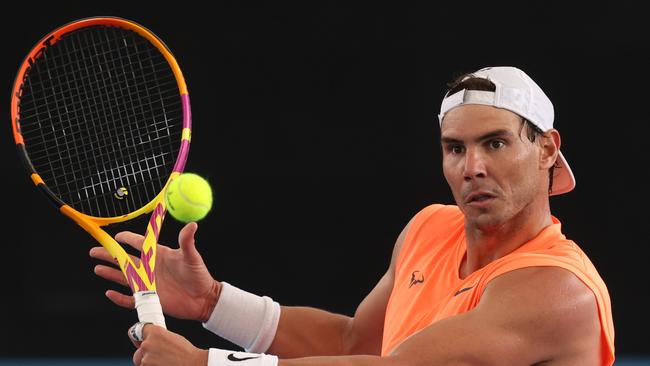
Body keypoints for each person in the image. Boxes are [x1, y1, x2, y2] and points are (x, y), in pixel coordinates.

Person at [90, 66, 615, 366]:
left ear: (547, 149)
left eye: (495, 143)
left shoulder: (558, 289)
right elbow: (351, 345)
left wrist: (206, 365)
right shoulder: (430, 227)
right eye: (454, 148)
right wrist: (214, 302)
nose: (472, 167)